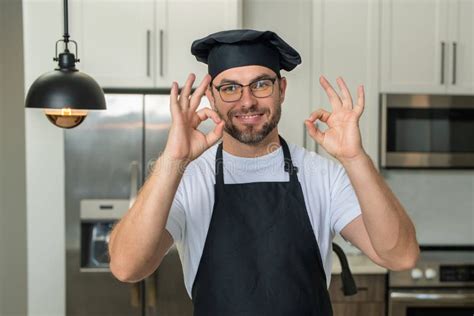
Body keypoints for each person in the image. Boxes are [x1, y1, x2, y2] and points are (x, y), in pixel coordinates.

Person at [108, 29, 419, 315]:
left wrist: (355, 158)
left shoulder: (321, 176)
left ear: (281, 89)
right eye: (230, 88)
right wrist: (174, 159)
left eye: (260, 84)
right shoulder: (188, 178)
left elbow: (400, 256)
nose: (247, 101)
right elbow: (127, 267)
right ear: (212, 97)